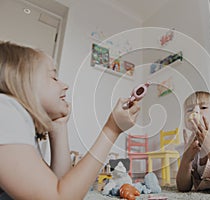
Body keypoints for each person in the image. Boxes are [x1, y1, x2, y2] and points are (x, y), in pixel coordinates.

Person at [0, 41, 140, 199]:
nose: (65, 85)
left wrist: (59, 127)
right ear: (23, 82)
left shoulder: (19, 125)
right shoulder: (4, 109)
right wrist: (111, 130)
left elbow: (61, 185)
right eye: (53, 77)